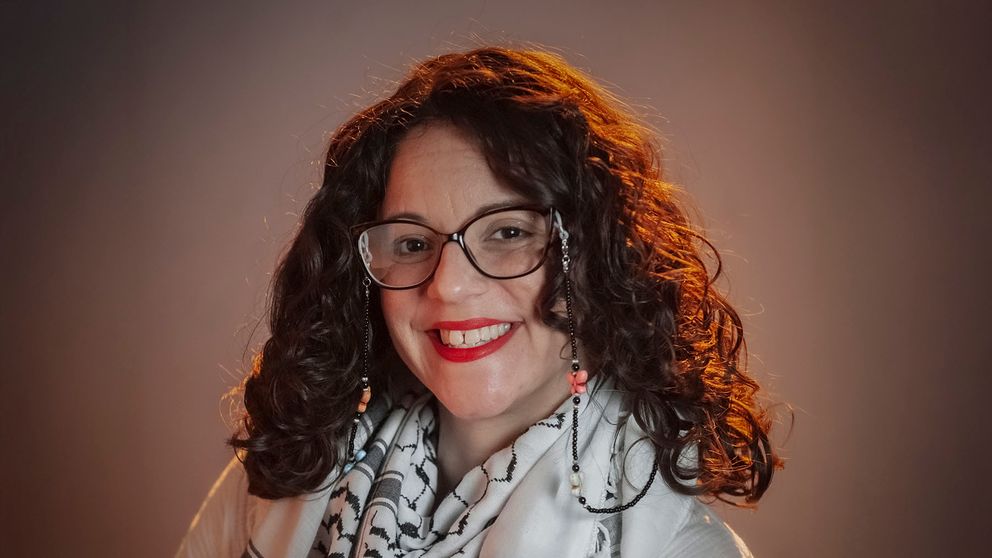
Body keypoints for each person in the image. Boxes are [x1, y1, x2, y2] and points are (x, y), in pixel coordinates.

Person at [177, 46, 781, 558]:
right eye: (413, 243)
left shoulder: (678, 549)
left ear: (598, 257)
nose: (449, 286)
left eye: (508, 232)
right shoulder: (279, 476)